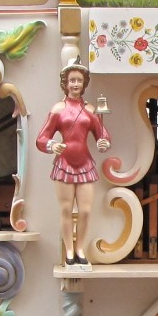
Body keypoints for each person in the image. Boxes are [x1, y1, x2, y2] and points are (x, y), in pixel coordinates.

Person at [36, 64, 110, 266]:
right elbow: (41, 138)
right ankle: (69, 249)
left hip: (85, 163)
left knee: (85, 210)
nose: (75, 84)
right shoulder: (58, 110)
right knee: (66, 209)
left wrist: (104, 142)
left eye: (79, 80)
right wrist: (53, 145)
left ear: (84, 84)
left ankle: (80, 248)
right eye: (72, 80)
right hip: (64, 164)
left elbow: (102, 135)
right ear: (65, 84)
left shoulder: (90, 110)